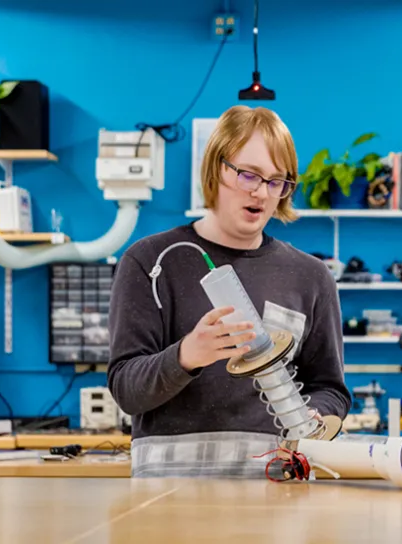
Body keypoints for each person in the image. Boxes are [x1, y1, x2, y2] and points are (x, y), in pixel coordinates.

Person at [107, 104, 351, 478]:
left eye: (276, 181)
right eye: (249, 175)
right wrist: (187, 355)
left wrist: (316, 415)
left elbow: (331, 389)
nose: (262, 194)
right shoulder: (151, 262)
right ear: (216, 168)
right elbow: (126, 389)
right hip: (168, 497)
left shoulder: (311, 276)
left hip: (276, 490)